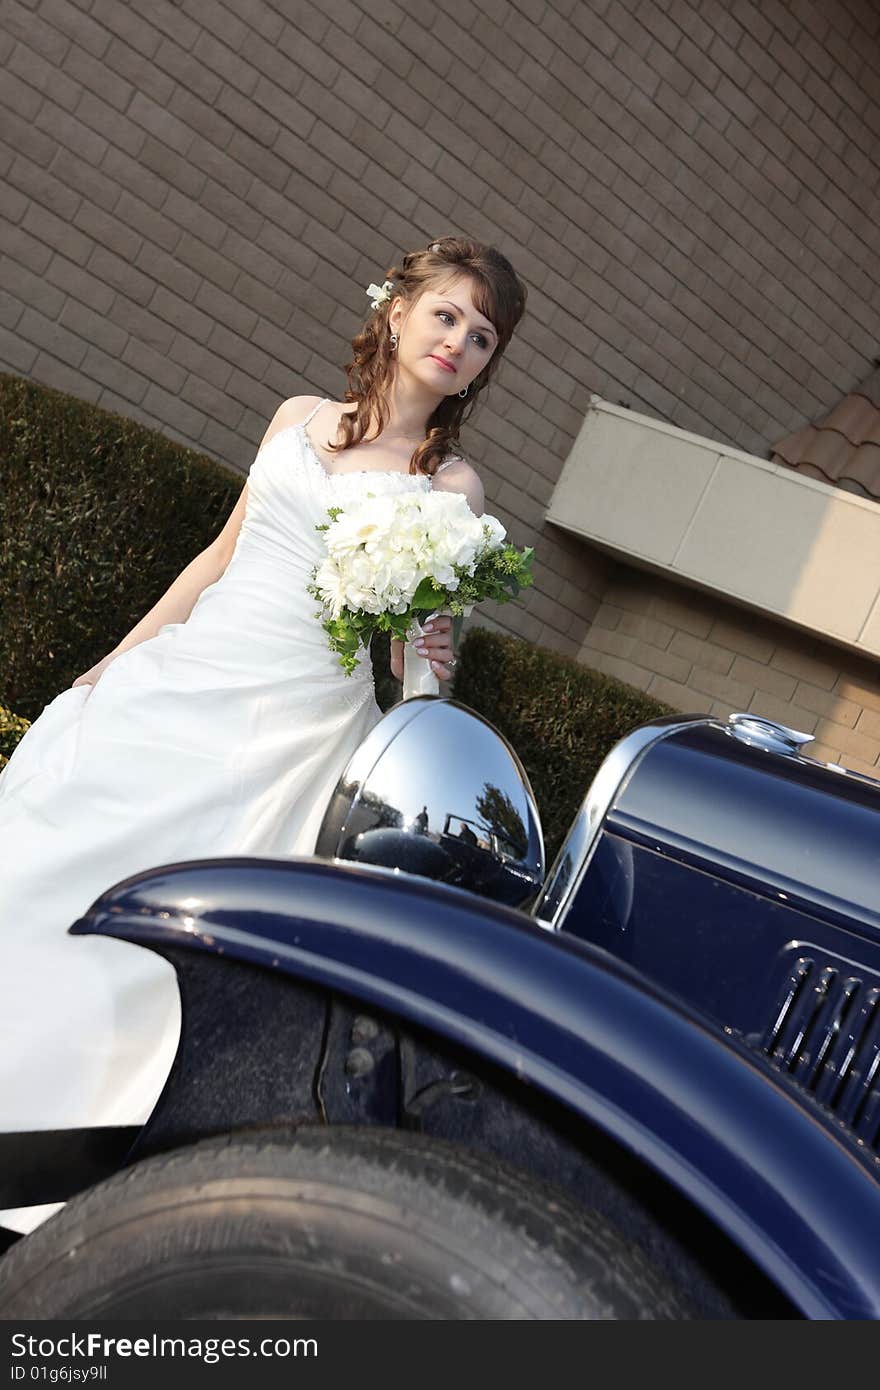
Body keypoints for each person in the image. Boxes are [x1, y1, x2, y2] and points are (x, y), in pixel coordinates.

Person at [0, 234, 527, 1233]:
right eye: (447, 313)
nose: (459, 341)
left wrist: (429, 662)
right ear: (398, 309)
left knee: (184, 929)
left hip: (300, 725)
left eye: (483, 334)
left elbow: (422, 665)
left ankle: (68, 1151)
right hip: (187, 681)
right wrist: (117, 659)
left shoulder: (452, 490)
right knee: (49, 858)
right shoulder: (297, 418)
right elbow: (220, 552)